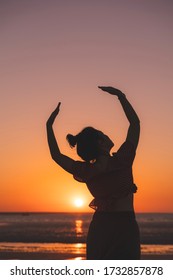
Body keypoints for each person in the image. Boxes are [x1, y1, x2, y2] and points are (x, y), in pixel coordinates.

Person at [46, 86, 141, 259]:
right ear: (101, 142)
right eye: (103, 134)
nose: (107, 135)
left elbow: (56, 155)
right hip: (125, 226)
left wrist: (48, 125)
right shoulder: (122, 160)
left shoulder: (87, 170)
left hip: (101, 227)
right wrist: (121, 96)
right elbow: (135, 124)